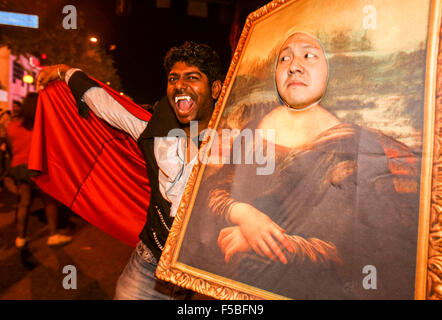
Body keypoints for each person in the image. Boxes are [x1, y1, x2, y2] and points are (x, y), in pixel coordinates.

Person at [181, 32, 420, 299]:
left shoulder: (352, 144)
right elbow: (216, 188)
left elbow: (371, 244)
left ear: (330, 70)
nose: (294, 65)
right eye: (284, 58)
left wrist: (267, 242)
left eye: (309, 55)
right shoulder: (254, 127)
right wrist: (243, 214)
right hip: (239, 288)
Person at [36, 41, 223, 299]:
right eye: (173, 79)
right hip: (147, 266)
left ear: (215, 89)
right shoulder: (152, 131)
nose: (180, 85)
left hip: (202, 279)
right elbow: (103, 104)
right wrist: (65, 71)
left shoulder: (238, 143)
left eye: (192, 78)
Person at [6, 93, 72, 249]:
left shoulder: (12, 126)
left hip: (20, 168)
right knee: (49, 202)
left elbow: (11, 149)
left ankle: (21, 238)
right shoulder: (44, 126)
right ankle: (53, 235)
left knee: (24, 203)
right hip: (38, 167)